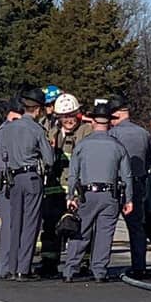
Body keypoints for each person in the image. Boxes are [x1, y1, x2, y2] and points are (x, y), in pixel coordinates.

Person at [63, 100, 133, 283]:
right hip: (110, 195)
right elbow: (127, 176)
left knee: (81, 232)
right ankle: (99, 271)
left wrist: (71, 196)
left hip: (87, 194)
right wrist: (129, 200)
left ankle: (70, 270)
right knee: (105, 234)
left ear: (93, 121)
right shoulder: (118, 146)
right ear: (109, 122)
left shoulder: (82, 145)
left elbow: (73, 174)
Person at [0, 89, 54, 281]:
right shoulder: (37, 130)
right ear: (37, 110)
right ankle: (23, 268)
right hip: (31, 177)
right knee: (30, 224)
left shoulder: (7, 129)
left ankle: (11, 267)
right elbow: (49, 159)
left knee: (14, 223)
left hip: (12, 178)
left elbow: (1, 154)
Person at [38, 93, 91, 277]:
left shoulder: (86, 131)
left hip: (78, 189)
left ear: (78, 114)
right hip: (55, 188)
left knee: (81, 228)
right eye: (64, 116)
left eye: (71, 115)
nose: (68, 120)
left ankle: (83, 264)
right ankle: (49, 263)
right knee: (51, 227)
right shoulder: (52, 133)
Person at [108, 95, 151, 278]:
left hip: (116, 184)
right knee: (136, 227)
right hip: (138, 182)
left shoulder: (113, 134)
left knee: (107, 225)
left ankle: (100, 267)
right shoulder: (143, 133)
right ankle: (139, 266)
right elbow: (150, 159)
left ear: (117, 114)